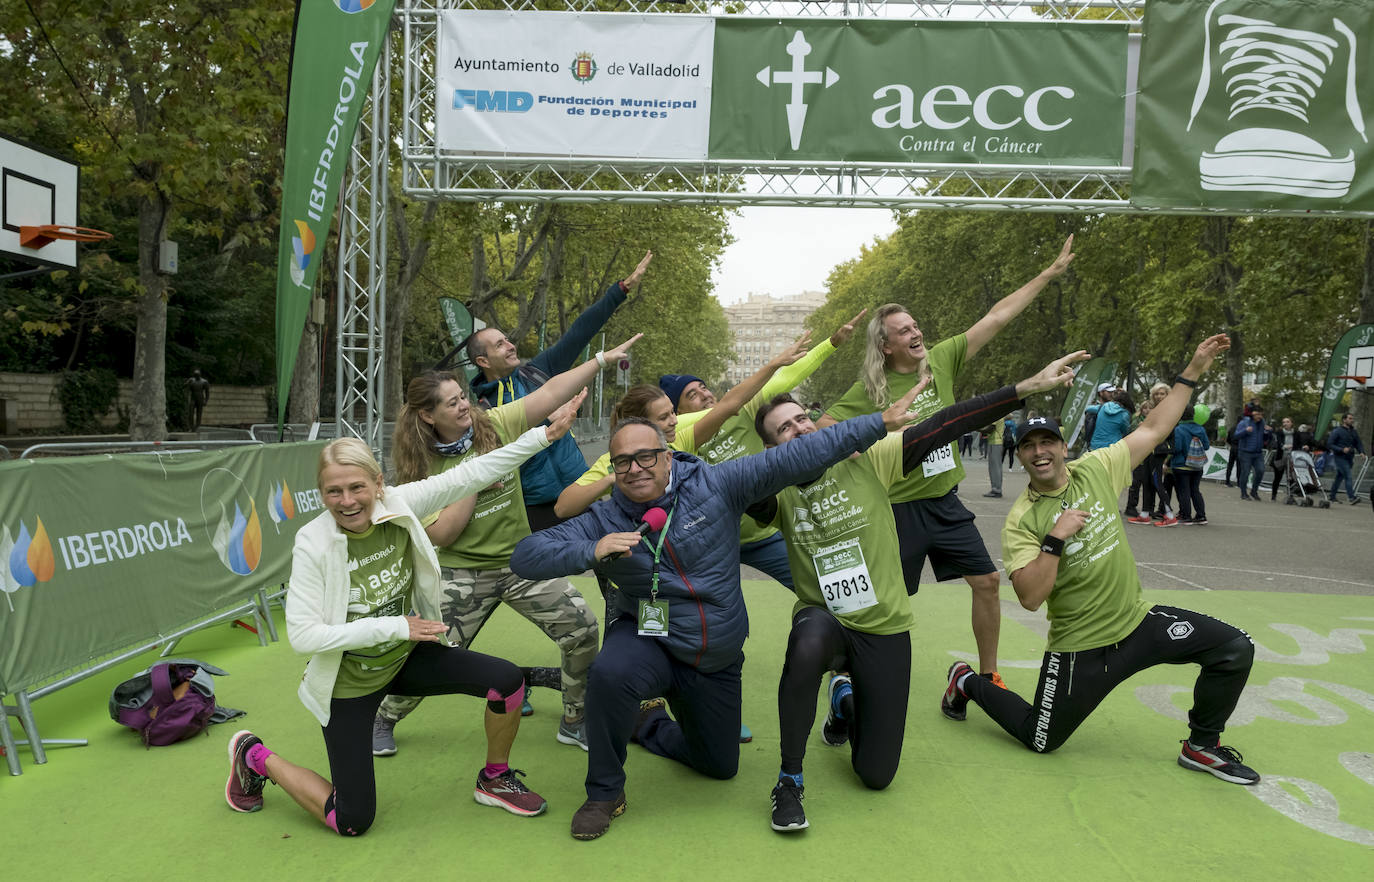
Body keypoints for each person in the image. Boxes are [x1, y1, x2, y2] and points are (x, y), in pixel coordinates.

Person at [508, 391, 935, 840]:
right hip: (650, 642)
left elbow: (798, 455)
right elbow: (526, 555)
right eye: (622, 462)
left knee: (719, 765)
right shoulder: (605, 516)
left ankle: (647, 723)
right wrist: (590, 549)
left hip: (713, 657)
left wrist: (877, 423)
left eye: (646, 457)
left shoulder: (717, 484)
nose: (634, 468)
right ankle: (604, 793)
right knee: (610, 672)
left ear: (669, 457)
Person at [750, 351, 1085, 832]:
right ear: (772, 449)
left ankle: (844, 699)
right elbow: (745, 494)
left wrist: (1023, 389)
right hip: (825, 620)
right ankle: (788, 780)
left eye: (803, 417)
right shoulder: (776, 486)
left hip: (883, 627)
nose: (800, 428)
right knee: (806, 642)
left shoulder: (868, 459)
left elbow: (945, 424)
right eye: (784, 428)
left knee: (875, 776)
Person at [222, 419, 575, 835]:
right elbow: (303, 636)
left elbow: (473, 472)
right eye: (333, 491)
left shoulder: (400, 502)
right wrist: (394, 627)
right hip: (349, 681)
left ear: (378, 483)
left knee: (507, 682)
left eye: (357, 488)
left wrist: (541, 436)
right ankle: (255, 756)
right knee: (352, 821)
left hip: (405, 658)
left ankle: (495, 778)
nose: (347, 501)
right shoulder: (312, 542)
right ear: (321, 493)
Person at [941, 334, 1260, 787]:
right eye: (1030, 446)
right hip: (1080, 647)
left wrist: (1191, 371)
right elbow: (1031, 598)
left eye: (1047, 441)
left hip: (1137, 625)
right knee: (1040, 739)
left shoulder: (1097, 467)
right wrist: (1055, 539)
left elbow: (1153, 429)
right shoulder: (1022, 519)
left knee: (1234, 647)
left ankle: (1201, 745)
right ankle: (969, 682)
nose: (1040, 451)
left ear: (1063, 446)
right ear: (1021, 455)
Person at [818, 235, 1076, 683]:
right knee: (882, 601)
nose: (916, 333)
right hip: (896, 509)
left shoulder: (940, 361)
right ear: (886, 346)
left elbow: (996, 316)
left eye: (915, 326)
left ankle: (989, 675)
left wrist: (1047, 275)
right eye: (904, 331)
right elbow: (823, 427)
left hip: (945, 502)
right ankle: (845, 676)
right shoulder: (869, 393)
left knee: (988, 582)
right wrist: (867, 441)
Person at [372, 335, 641, 757]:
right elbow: (442, 535)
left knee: (583, 629)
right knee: (428, 654)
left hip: (521, 564)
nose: (464, 406)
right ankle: (384, 717)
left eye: (464, 396)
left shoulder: (493, 424)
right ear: (427, 415)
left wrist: (602, 360)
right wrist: (476, 480)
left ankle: (575, 719)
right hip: (461, 574)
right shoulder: (419, 468)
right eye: (451, 403)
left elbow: (551, 392)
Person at [650, 310, 868, 592]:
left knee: (823, 589)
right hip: (712, 542)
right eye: (692, 394)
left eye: (704, 387)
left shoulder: (743, 410)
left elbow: (783, 379)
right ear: (675, 413)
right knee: (702, 610)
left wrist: (832, 343)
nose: (705, 394)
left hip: (766, 532)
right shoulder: (675, 440)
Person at [467, 250, 652, 531]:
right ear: (482, 361)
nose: (510, 345)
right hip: (534, 507)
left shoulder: (539, 370)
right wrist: (545, 424)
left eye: (507, 339)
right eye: (499, 345)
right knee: (547, 571)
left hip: (581, 490)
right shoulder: (480, 410)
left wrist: (622, 289)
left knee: (611, 559)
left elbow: (581, 331)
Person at [1172, 404, 1211, 525]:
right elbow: (1206, 446)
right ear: (1193, 415)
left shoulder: (1179, 429)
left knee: (1184, 491)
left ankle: (1185, 515)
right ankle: (1201, 515)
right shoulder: (1201, 429)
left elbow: (1177, 448)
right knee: (1195, 490)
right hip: (1197, 465)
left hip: (1181, 464)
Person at [1267, 417, 1312, 501]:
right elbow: (1278, 442)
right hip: (1281, 457)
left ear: (1291, 423)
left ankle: (1290, 494)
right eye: (1284, 422)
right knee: (1277, 477)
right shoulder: (1280, 432)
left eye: (1287, 422)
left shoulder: (1296, 433)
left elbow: (1299, 443)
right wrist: (1284, 446)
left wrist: (1304, 446)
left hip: (1292, 458)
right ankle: (1274, 495)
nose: (1285, 424)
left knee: (1291, 477)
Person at [1324, 412, 1365, 504]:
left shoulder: (1353, 431)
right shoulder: (1337, 431)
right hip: (1340, 457)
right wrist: (1341, 449)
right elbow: (1330, 444)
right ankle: (1351, 497)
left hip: (1350, 457)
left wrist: (1362, 452)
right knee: (1348, 476)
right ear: (1344, 420)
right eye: (1350, 418)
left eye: (1352, 418)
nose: (1352, 420)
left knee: (1339, 477)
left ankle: (1332, 496)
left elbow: (1358, 443)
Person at [1233, 405, 1270, 501]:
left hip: (1258, 452)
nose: (1259, 416)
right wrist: (1245, 431)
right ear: (1252, 413)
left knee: (1260, 470)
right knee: (1245, 473)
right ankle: (1243, 493)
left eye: (1261, 414)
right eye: (1257, 414)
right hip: (1245, 452)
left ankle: (1254, 491)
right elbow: (1236, 436)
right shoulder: (1244, 422)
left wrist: (1267, 432)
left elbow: (1265, 439)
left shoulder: (1262, 423)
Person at [984, 418, 1005, 498]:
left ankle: (997, 490)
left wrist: (977, 429)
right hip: (993, 441)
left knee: (995, 467)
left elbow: (990, 429)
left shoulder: (997, 415)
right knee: (993, 467)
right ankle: (995, 489)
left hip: (996, 442)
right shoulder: (998, 413)